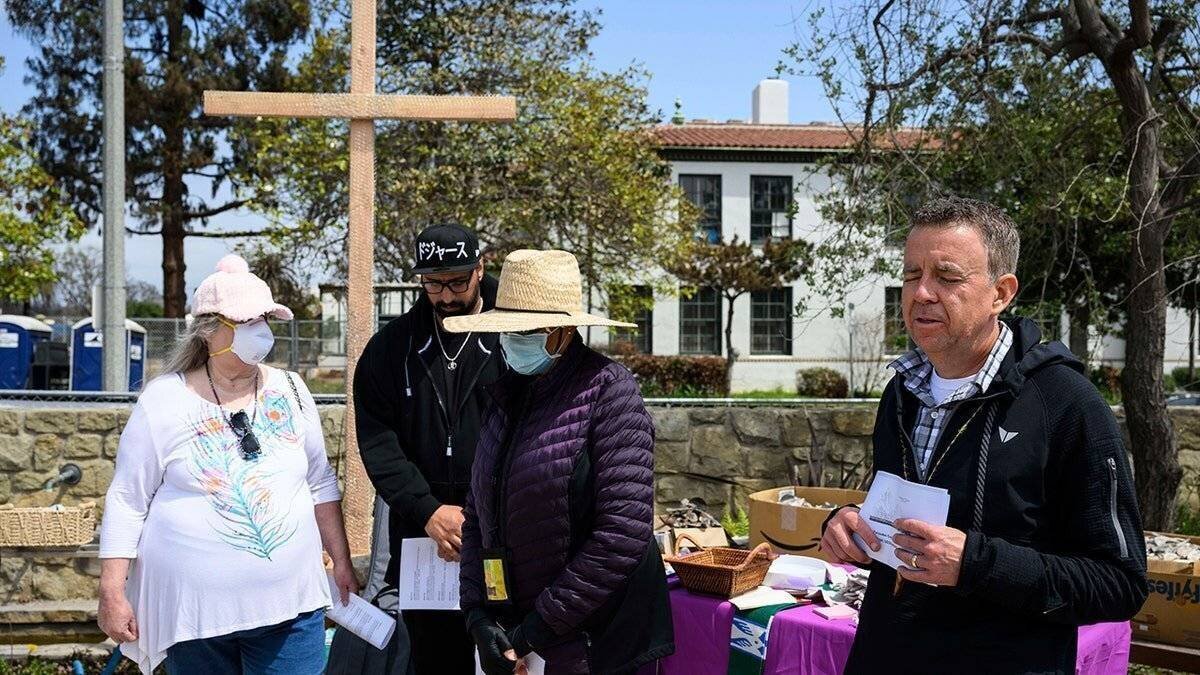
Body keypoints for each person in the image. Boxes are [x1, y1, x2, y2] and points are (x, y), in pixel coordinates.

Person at [820, 197, 1147, 673]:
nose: (922, 293)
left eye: (947, 277)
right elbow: (901, 515)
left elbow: (1119, 583)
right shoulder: (901, 389)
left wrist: (975, 563)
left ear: (1001, 293)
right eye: (912, 275)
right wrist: (849, 523)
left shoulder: (1067, 403)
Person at [97, 254, 358, 675]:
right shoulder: (164, 400)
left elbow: (319, 482)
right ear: (209, 332)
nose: (262, 331)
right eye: (248, 322)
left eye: (266, 320)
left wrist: (341, 561)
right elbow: (128, 499)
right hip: (195, 617)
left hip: (291, 608)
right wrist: (112, 590)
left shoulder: (291, 388)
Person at [445, 249, 674, 675]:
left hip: (593, 645)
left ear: (563, 331)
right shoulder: (504, 396)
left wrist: (534, 630)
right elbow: (478, 515)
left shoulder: (609, 392)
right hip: (517, 638)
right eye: (509, 331)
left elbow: (622, 534)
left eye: (527, 330)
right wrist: (477, 614)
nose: (514, 341)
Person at [354, 223, 505, 674]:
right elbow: (379, 442)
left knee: (505, 651)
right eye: (433, 284)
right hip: (423, 539)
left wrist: (478, 515)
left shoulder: (517, 332)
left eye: (458, 281)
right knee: (436, 657)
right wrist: (427, 510)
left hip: (500, 531)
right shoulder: (390, 348)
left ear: (481, 267)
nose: (445, 296)